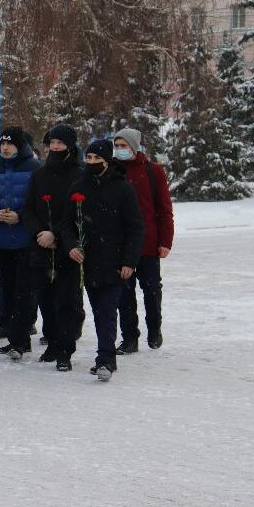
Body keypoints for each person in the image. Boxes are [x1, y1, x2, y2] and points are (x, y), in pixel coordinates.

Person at [60, 139, 144, 381]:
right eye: (89, 158)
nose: (93, 163)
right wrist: (71, 247)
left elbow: (135, 228)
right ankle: (84, 353)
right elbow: (66, 225)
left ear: (108, 161)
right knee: (94, 310)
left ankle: (106, 358)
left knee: (107, 311)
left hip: (114, 262)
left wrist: (129, 261)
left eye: (98, 159)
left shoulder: (123, 188)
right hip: (85, 262)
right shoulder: (78, 188)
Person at [17, 124, 83, 370]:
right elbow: (28, 209)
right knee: (45, 299)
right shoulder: (39, 175)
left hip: (68, 248)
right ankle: (54, 342)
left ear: (70, 145)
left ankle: (66, 349)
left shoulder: (79, 175)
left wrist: (56, 234)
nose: (55, 147)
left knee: (66, 301)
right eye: (52, 143)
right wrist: (39, 233)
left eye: (60, 143)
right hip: (40, 247)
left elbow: (77, 213)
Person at [112, 128, 174, 353]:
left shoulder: (152, 171)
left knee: (151, 290)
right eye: (117, 146)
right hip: (120, 245)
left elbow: (164, 208)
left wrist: (165, 240)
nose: (119, 150)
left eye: (123, 146)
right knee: (124, 294)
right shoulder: (111, 169)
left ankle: (154, 328)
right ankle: (129, 337)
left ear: (134, 146)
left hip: (148, 243)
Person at [0, 126, 41, 349]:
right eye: (3, 143)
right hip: (3, 239)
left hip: (27, 239)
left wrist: (20, 216)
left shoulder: (34, 167)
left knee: (24, 289)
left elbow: (39, 202)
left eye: (10, 143)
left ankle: (21, 337)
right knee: (6, 286)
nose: (5, 147)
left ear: (20, 145)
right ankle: (10, 329)